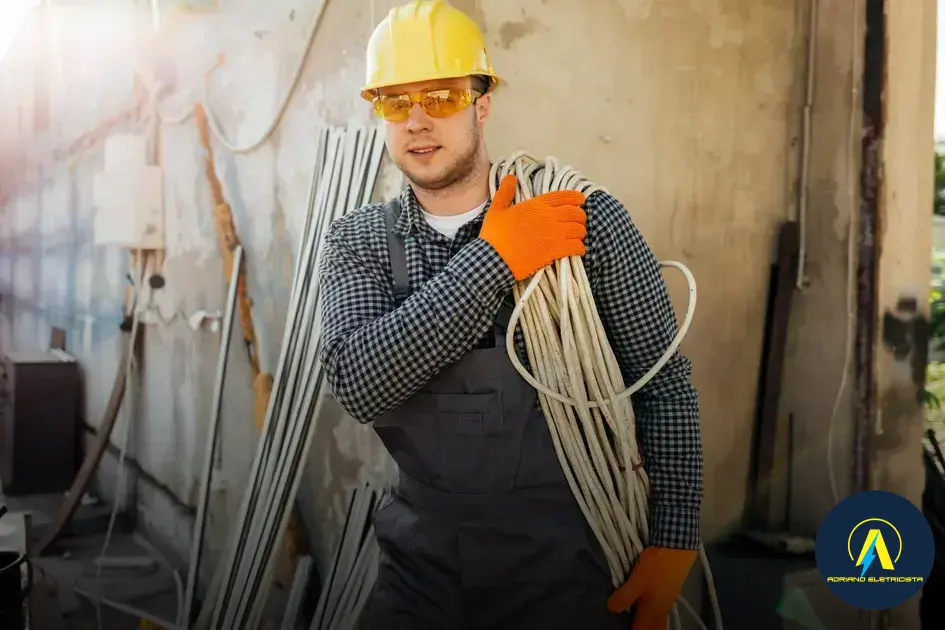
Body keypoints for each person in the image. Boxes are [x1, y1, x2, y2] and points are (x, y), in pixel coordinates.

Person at [317, 1, 703, 628]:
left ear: (482, 104)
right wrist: (497, 258)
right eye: (395, 102)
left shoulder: (582, 222)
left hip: (569, 567)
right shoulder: (359, 241)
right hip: (421, 568)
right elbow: (361, 383)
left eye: (441, 96)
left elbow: (662, 384)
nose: (417, 121)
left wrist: (675, 538)